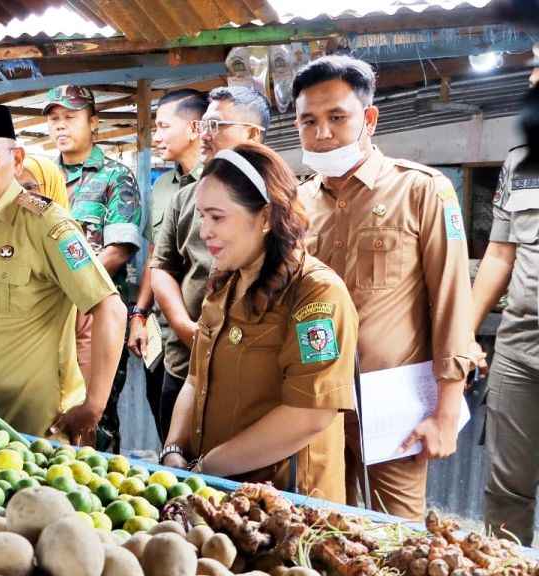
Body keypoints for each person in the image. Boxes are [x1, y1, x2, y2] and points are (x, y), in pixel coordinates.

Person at [294, 55, 474, 519]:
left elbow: (452, 303)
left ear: (369, 118)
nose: (322, 134)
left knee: (397, 538)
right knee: (321, 529)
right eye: (308, 121)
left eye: (337, 117)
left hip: (392, 409)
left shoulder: (421, 191)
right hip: (313, 403)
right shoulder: (297, 204)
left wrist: (447, 411)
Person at [162, 144, 355, 502]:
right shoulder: (224, 284)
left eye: (217, 217)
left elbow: (309, 414)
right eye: (201, 216)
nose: (204, 231)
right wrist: (174, 448)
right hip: (217, 493)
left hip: (286, 506)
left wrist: (205, 468)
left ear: (265, 217)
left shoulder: (316, 293)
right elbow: (194, 379)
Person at [0, 103, 126, 443]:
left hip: (30, 434)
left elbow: (110, 307)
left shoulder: (46, 224)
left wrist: (94, 404)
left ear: (18, 159)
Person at [151, 86, 270, 459]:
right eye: (203, 123)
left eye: (216, 124)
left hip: (248, 375)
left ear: (252, 135)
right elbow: (162, 266)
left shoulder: (280, 200)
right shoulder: (187, 196)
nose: (204, 133)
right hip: (184, 361)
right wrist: (186, 328)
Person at [44, 85, 143, 446]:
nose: (60, 127)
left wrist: (75, 286)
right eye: (54, 120)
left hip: (97, 312)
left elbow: (119, 248)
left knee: (92, 417)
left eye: (70, 118)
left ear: (94, 123)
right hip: (49, 315)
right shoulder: (40, 178)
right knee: (51, 414)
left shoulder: (116, 177)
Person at [468, 52, 539, 545]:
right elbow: (498, 256)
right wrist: (463, 331)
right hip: (520, 347)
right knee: (507, 487)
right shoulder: (520, 164)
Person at [129, 89, 207, 442]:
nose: (155, 136)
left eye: (163, 127)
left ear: (194, 128)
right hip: (162, 339)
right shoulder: (162, 186)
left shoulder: (219, 183)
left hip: (203, 333)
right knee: (169, 438)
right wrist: (139, 316)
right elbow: (154, 258)